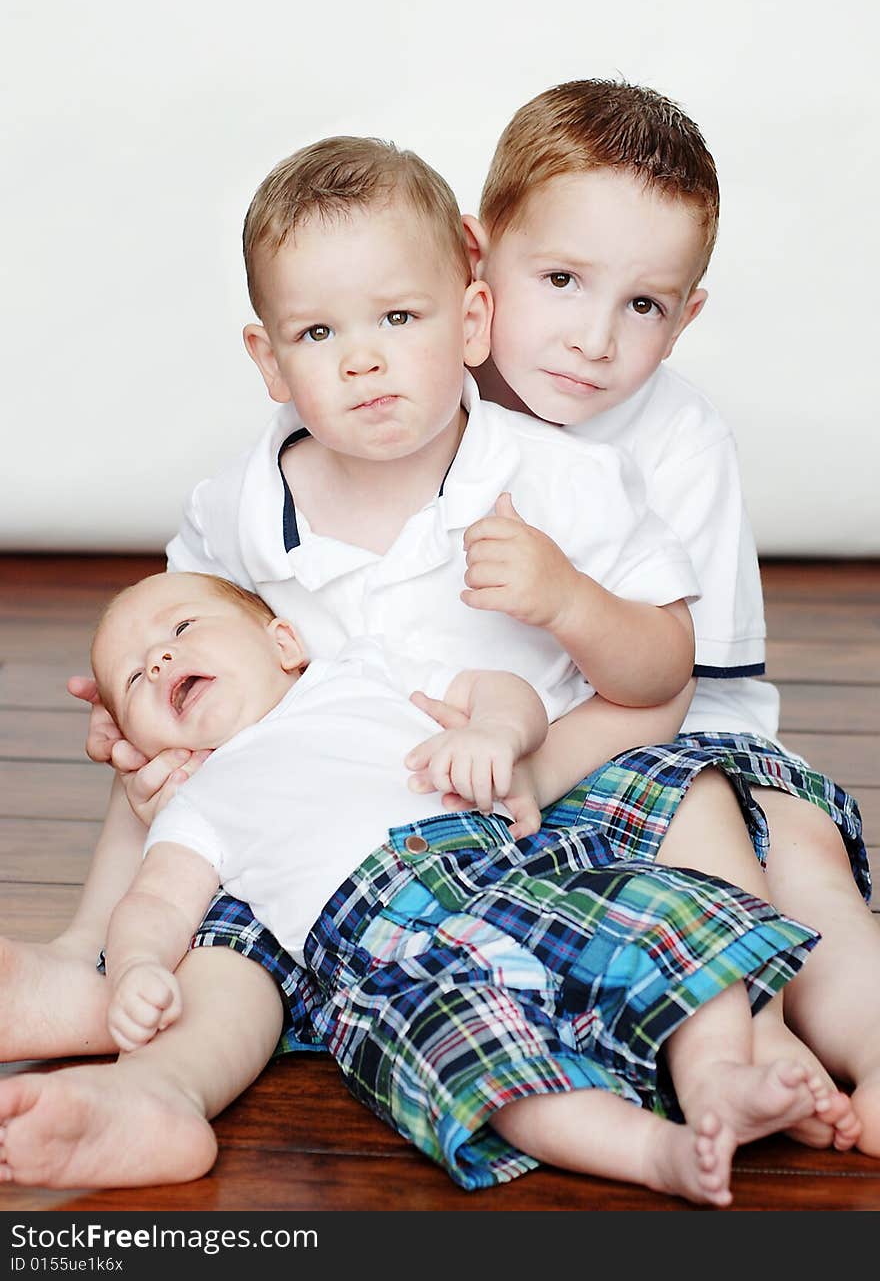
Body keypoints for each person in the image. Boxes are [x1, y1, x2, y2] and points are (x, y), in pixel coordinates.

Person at [0, 134, 853, 1191]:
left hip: (524, 789)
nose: (362, 360)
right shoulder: (239, 504)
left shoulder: (552, 478)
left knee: (672, 854)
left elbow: (652, 678)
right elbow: (178, 624)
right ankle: (136, 1047)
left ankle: (733, 1046)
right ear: (270, 359)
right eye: (319, 333)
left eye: (398, 320)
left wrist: (560, 606)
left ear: (468, 320)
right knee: (227, 900)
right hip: (326, 828)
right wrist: (137, 703)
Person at [49, 569, 836, 1206]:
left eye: (180, 630)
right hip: (382, 956)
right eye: (131, 677)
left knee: (664, 917)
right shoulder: (198, 800)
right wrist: (140, 968)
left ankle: (718, 1077)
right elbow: (154, 902)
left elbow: (499, 689)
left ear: (283, 641)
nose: (156, 661)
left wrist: (494, 731)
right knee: (478, 1066)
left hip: (509, 870)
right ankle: (656, 1155)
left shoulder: (361, 673)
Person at [460, 77, 877, 1152]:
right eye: (559, 278)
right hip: (510, 754)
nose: (593, 339)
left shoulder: (678, 439)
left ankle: (860, 1041)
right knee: (651, 887)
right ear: (476, 257)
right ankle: (754, 1037)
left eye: (641, 304)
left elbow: (700, 692)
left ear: (685, 315)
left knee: (797, 852)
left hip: (684, 728)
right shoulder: (415, 392)